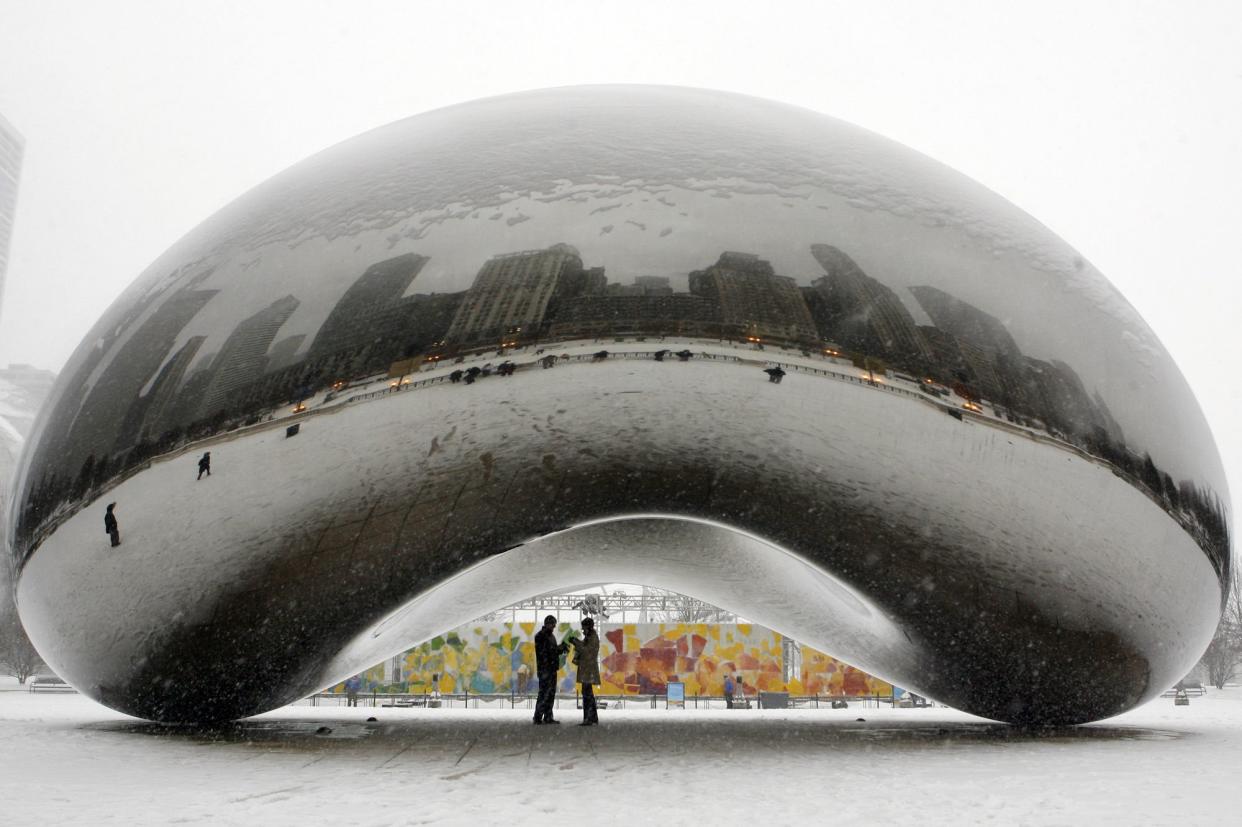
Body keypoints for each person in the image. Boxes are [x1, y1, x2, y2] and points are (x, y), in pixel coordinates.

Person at [533, 615, 568, 724]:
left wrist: (560, 648)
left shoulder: (550, 636)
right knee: (544, 694)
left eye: (554, 625)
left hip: (551, 669)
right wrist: (558, 649)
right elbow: (545, 652)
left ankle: (548, 716)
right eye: (553, 625)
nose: (554, 627)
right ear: (547, 624)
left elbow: (551, 651)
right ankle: (538, 717)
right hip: (545, 670)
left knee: (550, 694)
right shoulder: (540, 636)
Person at [566, 617, 601, 725]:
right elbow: (585, 648)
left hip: (588, 669)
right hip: (587, 669)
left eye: (584, 628)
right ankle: (592, 718)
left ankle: (589, 718)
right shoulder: (589, 637)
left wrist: (576, 642)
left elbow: (586, 652)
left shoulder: (593, 638)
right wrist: (577, 642)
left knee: (587, 694)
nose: (583, 631)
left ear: (589, 627)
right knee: (587, 693)